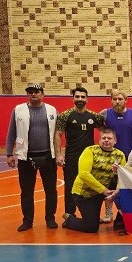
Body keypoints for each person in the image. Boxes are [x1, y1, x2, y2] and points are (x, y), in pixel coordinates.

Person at [5, 83, 59, 232]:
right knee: (27, 191)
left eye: (36, 91)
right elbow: (11, 133)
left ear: (42, 94)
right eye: (30, 92)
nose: (33, 94)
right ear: (27, 94)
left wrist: (59, 153)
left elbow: (57, 134)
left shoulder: (52, 110)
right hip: (26, 157)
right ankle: (28, 221)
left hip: (48, 156)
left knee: (51, 190)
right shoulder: (18, 110)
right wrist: (9, 153)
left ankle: (50, 218)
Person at [54, 86, 105, 218]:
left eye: (83, 97)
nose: (80, 99)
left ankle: (91, 214)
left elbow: (104, 132)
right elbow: (58, 135)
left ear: (87, 99)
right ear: (73, 99)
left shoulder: (94, 116)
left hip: (89, 158)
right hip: (71, 157)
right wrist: (59, 155)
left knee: (91, 186)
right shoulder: (66, 115)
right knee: (70, 186)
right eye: (77, 97)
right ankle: (69, 214)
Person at [61, 129, 125, 233]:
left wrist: (116, 190)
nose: (106, 140)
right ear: (99, 140)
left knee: (125, 190)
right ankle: (69, 219)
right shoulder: (90, 151)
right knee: (91, 227)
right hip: (85, 193)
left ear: (115, 141)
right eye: (103, 138)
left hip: (104, 191)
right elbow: (83, 174)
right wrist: (103, 190)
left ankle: (119, 220)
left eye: (109, 138)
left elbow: (123, 176)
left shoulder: (120, 155)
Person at [99, 89, 132, 223]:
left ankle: (127, 212)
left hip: (129, 155)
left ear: (125, 100)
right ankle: (109, 212)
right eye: (114, 99)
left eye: (120, 99)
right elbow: (99, 128)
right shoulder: (105, 114)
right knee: (110, 184)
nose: (117, 101)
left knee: (127, 185)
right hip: (110, 156)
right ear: (111, 100)